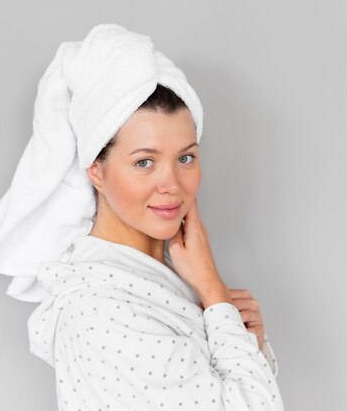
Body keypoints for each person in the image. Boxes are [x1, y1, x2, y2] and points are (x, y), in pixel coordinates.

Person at [27, 83, 284, 410]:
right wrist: (213, 291)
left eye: (186, 158)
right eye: (144, 162)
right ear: (97, 173)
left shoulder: (167, 286)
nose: (172, 185)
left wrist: (236, 333)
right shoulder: (101, 309)